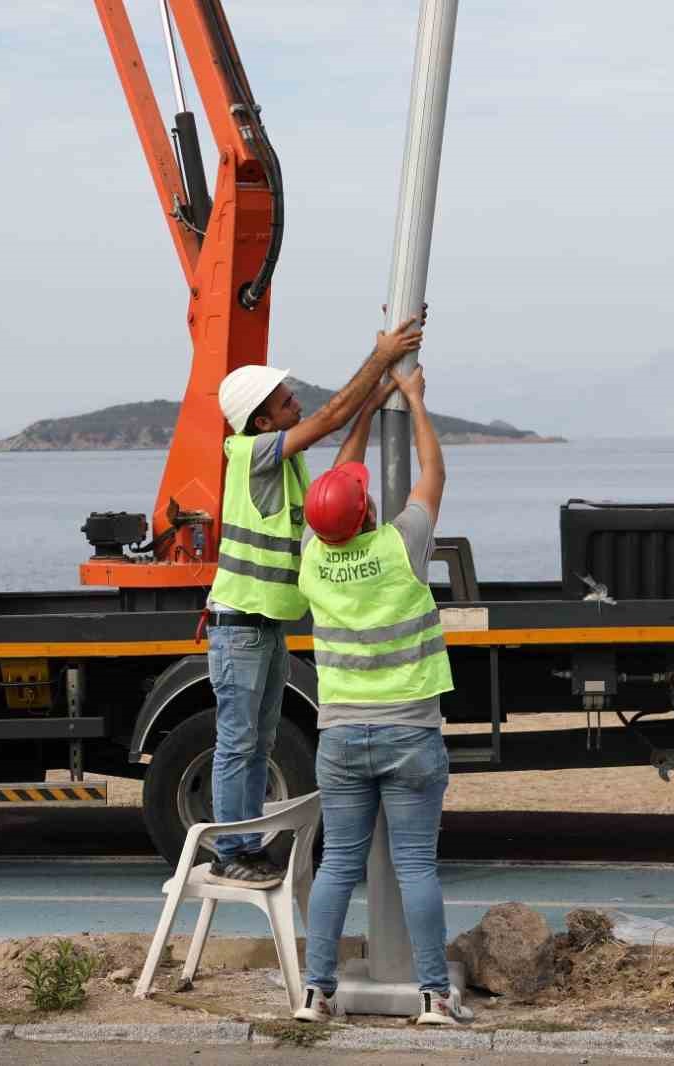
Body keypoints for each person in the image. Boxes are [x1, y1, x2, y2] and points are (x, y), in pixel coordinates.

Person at [204, 315, 424, 890]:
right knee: (239, 744)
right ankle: (233, 848)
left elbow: (343, 467)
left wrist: (370, 411)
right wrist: (379, 357)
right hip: (242, 627)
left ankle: (243, 844)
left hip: (265, 628)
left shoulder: (286, 464)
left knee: (259, 743)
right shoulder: (249, 451)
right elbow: (329, 418)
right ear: (262, 420)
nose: (295, 401)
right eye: (284, 400)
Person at [291, 364, 473, 1026]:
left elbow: (337, 481)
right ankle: (432, 996)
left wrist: (365, 408)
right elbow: (433, 475)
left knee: (338, 866)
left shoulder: (312, 554)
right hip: (411, 733)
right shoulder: (403, 547)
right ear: (368, 511)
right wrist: (415, 402)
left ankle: (317, 993)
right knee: (415, 868)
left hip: (340, 736)